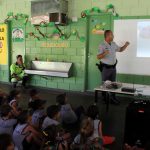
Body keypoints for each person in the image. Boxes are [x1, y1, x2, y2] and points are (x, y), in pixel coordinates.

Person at [97, 30, 130, 104]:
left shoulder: (114, 44)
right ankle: (105, 99)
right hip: (105, 68)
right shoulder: (101, 45)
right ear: (107, 36)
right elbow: (98, 57)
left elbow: (120, 50)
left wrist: (126, 45)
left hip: (113, 68)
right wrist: (104, 53)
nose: (113, 36)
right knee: (105, 84)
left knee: (113, 84)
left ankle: (112, 98)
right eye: (112, 35)